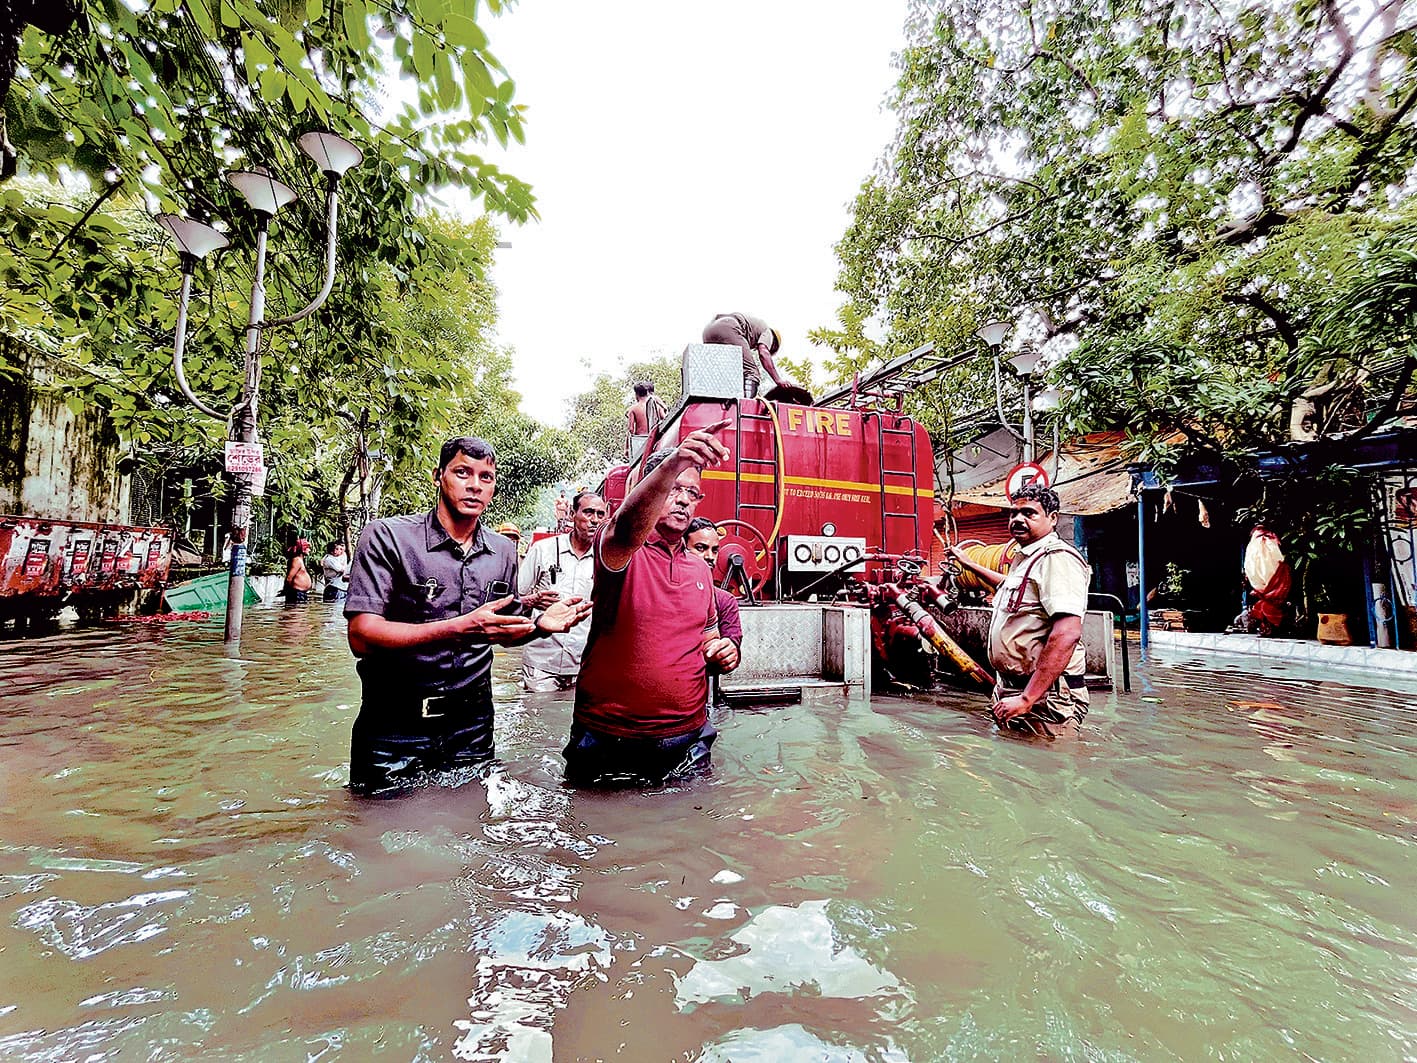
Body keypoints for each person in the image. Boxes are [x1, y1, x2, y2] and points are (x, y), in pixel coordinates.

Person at [343, 436, 592, 796]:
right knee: (376, 833)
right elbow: (361, 636)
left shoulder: (503, 551)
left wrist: (539, 626)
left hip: (471, 724)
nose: (475, 485)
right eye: (463, 472)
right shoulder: (388, 537)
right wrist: (461, 627)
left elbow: (501, 628)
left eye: (486, 477)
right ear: (438, 476)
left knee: (468, 829)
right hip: (393, 723)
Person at [565, 422, 739, 786]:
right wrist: (673, 462)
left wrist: (724, 651)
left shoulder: (699, 567)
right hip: (608, 738)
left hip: (687, 738)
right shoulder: (618, 549)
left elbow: (707, 637)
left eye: (692, 492)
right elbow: (627, 526)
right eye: (674, 488)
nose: (683, 499)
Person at [986, 484, 1091, 739]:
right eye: (1013, 513)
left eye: (1028, 513)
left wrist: (1027, 698)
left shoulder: (1057, 559)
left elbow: (1067, 634)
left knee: (1050, 773)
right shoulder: (1024, 559)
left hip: (1047, 699)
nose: (1017, 519)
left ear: (1052, 518)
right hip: (1015, 693)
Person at [517, 491, 607, 691]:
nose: (594, 520)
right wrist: (532, 600)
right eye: (589, 512)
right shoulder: (543, 550)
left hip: (582, 664)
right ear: (572, 514)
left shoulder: (607, 560)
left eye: (601, 515)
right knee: (538, 717)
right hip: (541, 662)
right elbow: (516, 597)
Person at [685, 517, 744, 711]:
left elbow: (732, 645)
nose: (710, 556)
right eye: (701, 548)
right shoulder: (664, 594)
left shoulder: (725, 601)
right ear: (682, 549)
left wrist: (729, 653)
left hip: (703, 698)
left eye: (715, 550)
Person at [702, 312, 791, 398]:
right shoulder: (769, 333)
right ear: (774, 345)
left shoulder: (755, 329)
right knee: (751, 372)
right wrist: (778, 379)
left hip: (708, 332)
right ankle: (746, 405)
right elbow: (763, 353)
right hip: (729, 327)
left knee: (727, 375)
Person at [283, 538, 313, 605]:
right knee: (296, 614)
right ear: (303, 549)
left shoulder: (300, 560)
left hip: (300, 593)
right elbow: (289, 578)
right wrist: (290, 591)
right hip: (296, 593)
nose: (309, 550)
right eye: (307, 548)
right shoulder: (297, 560)